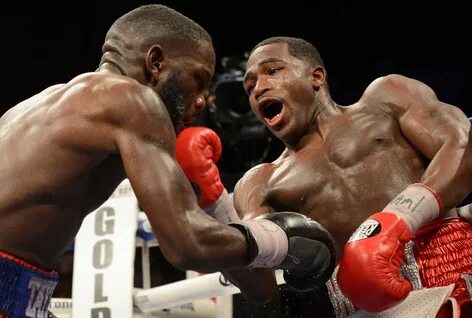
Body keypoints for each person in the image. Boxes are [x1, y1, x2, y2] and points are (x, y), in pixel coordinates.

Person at [0, 9, 338, 317]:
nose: (202, 99)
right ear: (156, 63)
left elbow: (254, 284)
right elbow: (186, 245)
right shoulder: (132, 100)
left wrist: (214, 201)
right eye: (198, 79)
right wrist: (282, 240)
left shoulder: (40, 106)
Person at [176, 36, 472, 317]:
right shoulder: (260, 183)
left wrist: (400, 219)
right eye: (250, 85)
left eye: (273, 71)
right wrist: (214, 205)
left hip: (449, 272)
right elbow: (262, 289)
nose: (258, 88)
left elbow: (466, 146)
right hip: (361, 305)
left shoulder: (386, 98)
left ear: (316, 77)